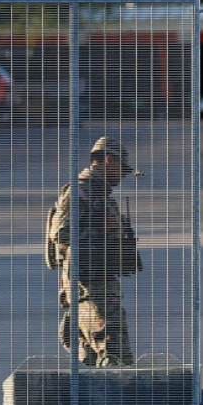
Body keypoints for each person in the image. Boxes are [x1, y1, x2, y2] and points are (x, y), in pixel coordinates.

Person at [45, 136, 143, 367]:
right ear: (108, 160)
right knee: (113, 352)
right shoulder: (81, 190)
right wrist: (97, 226)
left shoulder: (98, 192)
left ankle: (96, 400)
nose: (123, 175)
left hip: (98, 278)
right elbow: (60, 234)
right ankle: (116, 400)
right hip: (89, 280)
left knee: (97, 354)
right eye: (121, 168)